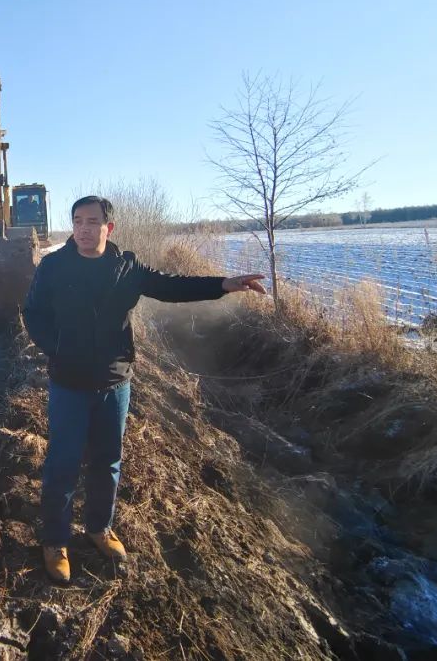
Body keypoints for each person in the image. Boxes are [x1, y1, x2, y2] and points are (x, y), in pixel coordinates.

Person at [22, 196, 265, 583]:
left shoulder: (126, 268)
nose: (84, 229)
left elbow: (171, 287)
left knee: (108, 462)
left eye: (92, 222)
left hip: (115, 382)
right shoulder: (53, 267)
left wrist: (223, 284)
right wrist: (56, 348)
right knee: (62, 465)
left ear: (109, 228)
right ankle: (55, 540)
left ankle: (99, 528)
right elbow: (32, 312)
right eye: (77, 221)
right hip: (69, 383)